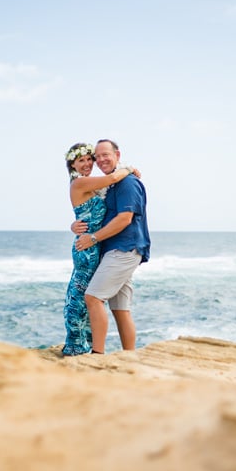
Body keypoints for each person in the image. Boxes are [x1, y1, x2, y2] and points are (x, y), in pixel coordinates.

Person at [73, 139, 150, 354]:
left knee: (93, 297)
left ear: (117, 154)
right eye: (97, 157)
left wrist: (93, 238)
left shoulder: (128, 183)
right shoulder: (111, 183)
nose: (100, 160)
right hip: (115, 249)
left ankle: (97, 355)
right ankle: (129, 355)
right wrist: (75, 226)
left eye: (105, 154)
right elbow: (93, 213)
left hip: (124, 249)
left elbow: (124, 219)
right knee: (120, 309)